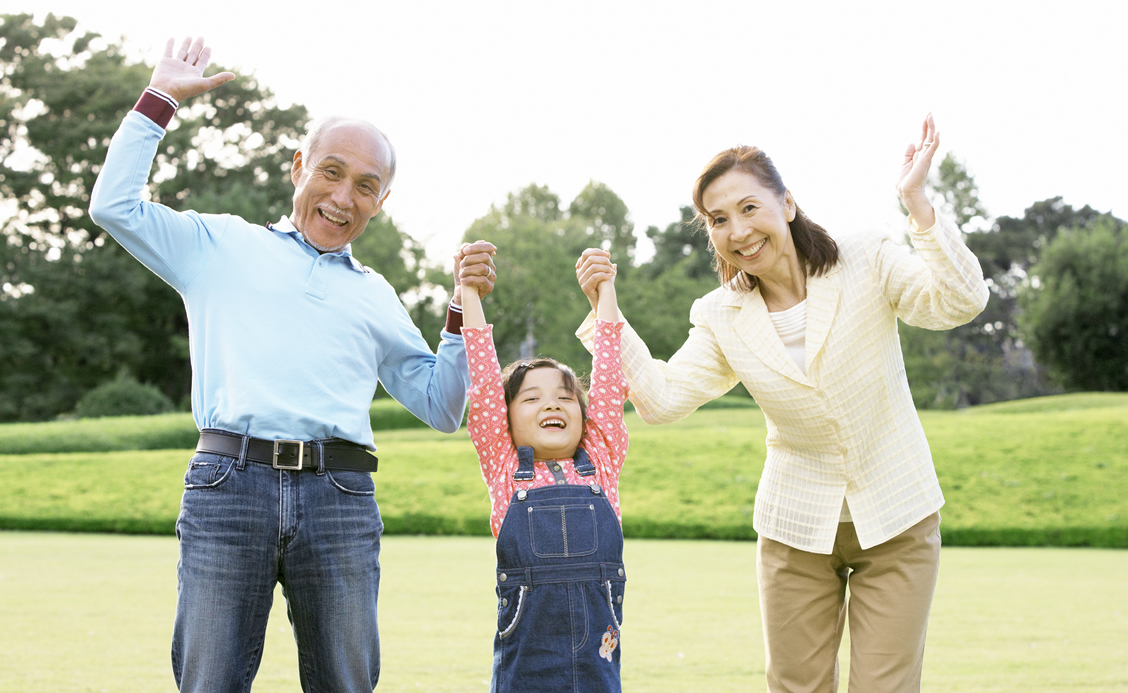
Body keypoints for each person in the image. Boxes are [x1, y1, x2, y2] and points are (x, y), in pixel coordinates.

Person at [88, 37, 496, 692]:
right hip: (229, 485)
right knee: (209, 681)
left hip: (339, 496)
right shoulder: (219, 244)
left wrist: (461, 308)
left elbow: (441, 405)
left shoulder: (375, 295)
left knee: (345, 682)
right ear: (298, 164)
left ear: (381, 201)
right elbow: (113, 205)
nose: (343, 197)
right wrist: (159, 98)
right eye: (330, 172)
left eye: (366, 186)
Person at [575, 115, 989, 692]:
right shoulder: (721, 315)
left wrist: (916, 201)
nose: (737, 230)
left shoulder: (866, 259)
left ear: (787, 204)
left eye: (749, 208)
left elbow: (960, 300)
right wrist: (606, 308)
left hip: (898, 516)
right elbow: (661, 400)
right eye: (718, 220)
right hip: (796, 528)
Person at [459, 249, 630, 692]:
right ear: (506, 419)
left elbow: (610, 368)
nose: (551, 403)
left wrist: (604, 290)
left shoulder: (602, 459)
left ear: (584, 414)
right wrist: (469, 293)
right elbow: (481, 375)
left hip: (598, 652)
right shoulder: (503, 460)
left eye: (564, 396)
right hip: (526, 657)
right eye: (531, 398)